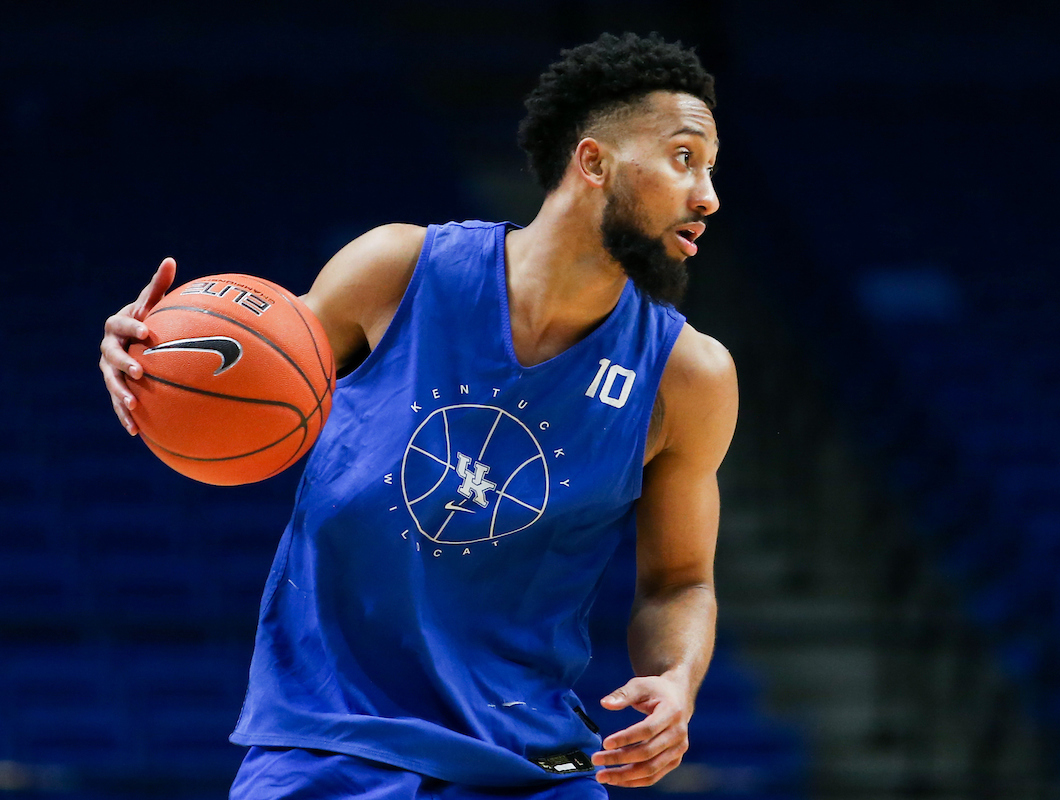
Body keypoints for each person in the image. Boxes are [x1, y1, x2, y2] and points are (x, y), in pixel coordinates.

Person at [99, 32, 736, 799]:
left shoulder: (687, 377)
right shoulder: (395, 271)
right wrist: (150, 361)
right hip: (328, 744)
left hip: (529, 767)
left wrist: (674, 679)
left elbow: (678, 582)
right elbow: (250, 368)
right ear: (593, 162)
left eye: (709, 168)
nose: (708, 196)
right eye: (684, 158)